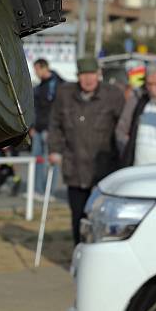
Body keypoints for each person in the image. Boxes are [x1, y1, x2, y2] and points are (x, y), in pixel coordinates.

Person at [48, 57, 124, 246]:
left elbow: (123, 127)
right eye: (83, 75)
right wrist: (54, 150)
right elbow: (55, 124)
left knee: (101, 216)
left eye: (92, 75)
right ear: (78, 76)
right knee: (78, 215)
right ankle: (78, 250)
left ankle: (100, 251)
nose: (88, 80)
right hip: (75, 167)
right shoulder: (65, 94)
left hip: (105, 168)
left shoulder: (113, 95)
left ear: (99, 75)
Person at [31, 58, 63, 198]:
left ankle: (49, 192)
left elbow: (54, 108)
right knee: (37, 160)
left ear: (44, 68)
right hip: (38, 129)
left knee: (50, 161)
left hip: (50, 129)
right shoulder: (40, 86)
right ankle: (37, 190)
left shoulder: (56, 84)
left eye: (37, 69)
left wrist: (53, 128)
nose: (35, 73)